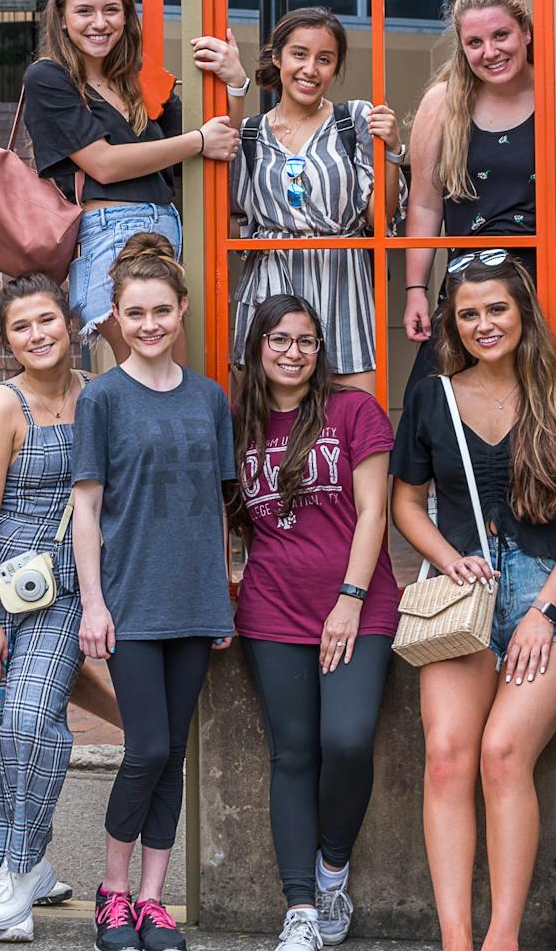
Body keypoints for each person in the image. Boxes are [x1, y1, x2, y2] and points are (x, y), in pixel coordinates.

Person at [389, 252, 556, 951]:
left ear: (523, 314)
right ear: (453, 324)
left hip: (551, 592)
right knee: (450, 755)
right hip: (464, 595)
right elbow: (406, 502)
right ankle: (458, 939)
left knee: (503, 753)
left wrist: (545, 613)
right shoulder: (432, 397)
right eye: (469, 313)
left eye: (497, 309)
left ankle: (503, 939)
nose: (484, 324)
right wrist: (444, 556)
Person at [71, 233, 235, 951]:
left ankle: (152, 899)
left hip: (196, 601)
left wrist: (225, 591)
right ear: (115, 316)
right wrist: (95, 602)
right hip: (130, 601)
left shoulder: (209, 398)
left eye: (160, 311)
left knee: (175, 749)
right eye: (134, 313)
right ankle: (111, 892)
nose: (148, 325)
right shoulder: (102, 398)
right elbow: (85, 509)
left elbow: (219, 506)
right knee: (146, 749)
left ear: (182, 310)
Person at [230, 295, 399, 951]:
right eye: (279, 340)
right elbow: (219, 515)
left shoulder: (353, 411)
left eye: (305, 341)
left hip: (357, 605)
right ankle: (300, 906)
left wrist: (350, 599)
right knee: (293, 754)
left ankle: (333, 868)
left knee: (349, 740)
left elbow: (375, 511)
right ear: (258, 347)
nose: (293, 352)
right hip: (271, 610)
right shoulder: (238, 423)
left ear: (320, 349)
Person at [0, 273, 94, 943]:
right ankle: (6, 879)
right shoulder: (2, 406)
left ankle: (23, 864)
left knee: (30, 723)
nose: (37, 336)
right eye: (21, 328)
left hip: (63, 583)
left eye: (46, 321)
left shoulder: (97, 394)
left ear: (70, 321)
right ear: (8, 341)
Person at [402, 0, 556, 394]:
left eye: (500, 35)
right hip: (477, 296)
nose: (490, 52)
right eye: (475, 42)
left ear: (525, 31)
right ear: (462, 46)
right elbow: (424, 205)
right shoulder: (442, 103)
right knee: (439, 406)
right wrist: (416, 290)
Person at [22, 0, 241, 362]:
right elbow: (103, 162)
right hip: (107, 234)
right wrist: (197, 140)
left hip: (166, 231)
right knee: (143, 376)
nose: (99, 23)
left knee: (172, 376)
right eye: (84, 11)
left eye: (111, 10)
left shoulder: (138, 78)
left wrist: (236, 83)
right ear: (62, 18)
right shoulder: (49, 76)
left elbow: (219, 142)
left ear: (126, 16)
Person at [229, 9, 404, 394]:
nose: (310, 69)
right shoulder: (249, 134)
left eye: (324, 59)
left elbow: (379, 219)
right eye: (299, 54)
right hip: (271, 284)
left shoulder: (353, 120)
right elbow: (232, 217)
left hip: (341, 281)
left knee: (355, 414)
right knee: (267, 423)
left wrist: (391, 153)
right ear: (277, 58)